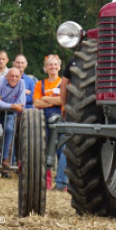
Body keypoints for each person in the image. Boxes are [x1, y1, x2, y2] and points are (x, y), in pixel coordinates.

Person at [34, 54, 66, 191]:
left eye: (55, 64)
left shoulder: (64, 83)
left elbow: (62, 101)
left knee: (62, 151)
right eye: (50, 65)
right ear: (45, 68)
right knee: (44, 150)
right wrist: (53, 101)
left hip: (61, 118)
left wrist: (46, 99)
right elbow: (36, 102)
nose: (53, 67)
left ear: (59, 66)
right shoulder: (39, 83)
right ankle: (45, 182)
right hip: (44, 119)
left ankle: (61, 182)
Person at [0, 67, 25, 179]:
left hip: (9, 114)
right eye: (12, 76)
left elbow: (21, 103)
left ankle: (5, 160)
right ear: (7, 76)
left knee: (9, 130)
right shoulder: (0, 81)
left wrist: (3, 102)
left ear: (20, 77)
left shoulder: (22, 83)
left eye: (17, 76)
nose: (14, 78)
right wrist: (11, 105)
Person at [11, 54, 37, 166]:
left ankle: (21, 165)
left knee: (24, 140)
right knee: (11, 139)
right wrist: (24, 93)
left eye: (22, 62)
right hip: (11, 113)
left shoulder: (30, 81)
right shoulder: (8, 78)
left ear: (26, 65)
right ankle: (8, 165)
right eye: (18, 62)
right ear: (13, 63)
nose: (20, 65)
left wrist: (18, 96)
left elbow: (34, 97)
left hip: (25, 114)